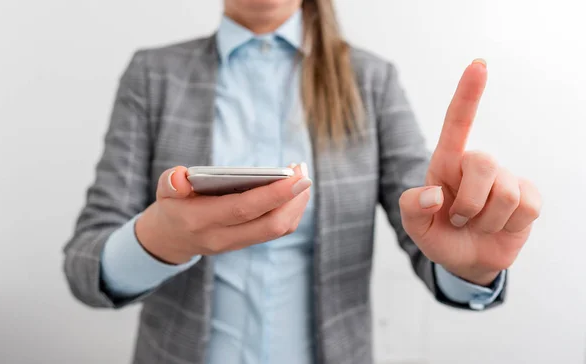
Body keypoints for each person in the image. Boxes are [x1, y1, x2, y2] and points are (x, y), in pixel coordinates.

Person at [62, 0, 542, 363]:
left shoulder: (371, 80)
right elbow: (85, 266)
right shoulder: (153, 74)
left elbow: (429, 224)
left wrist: (471, 268)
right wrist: (159, 241)